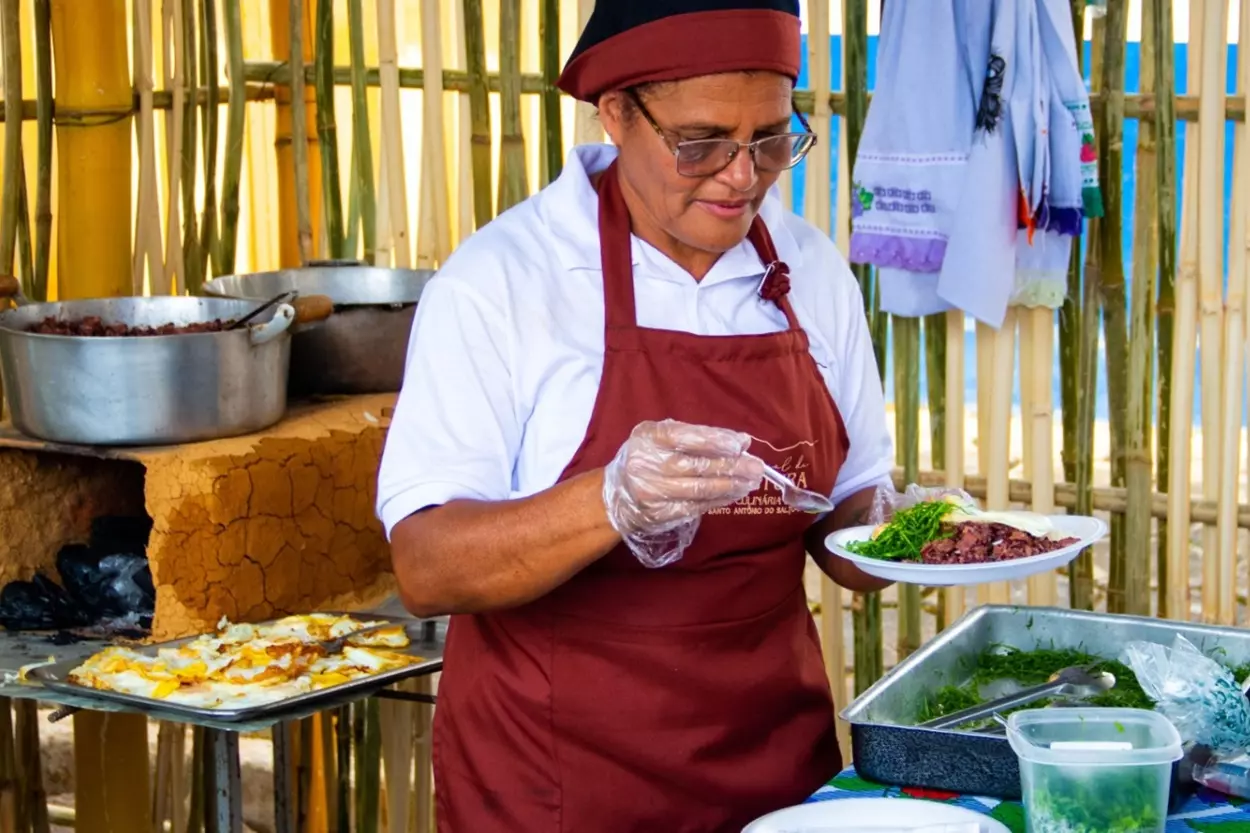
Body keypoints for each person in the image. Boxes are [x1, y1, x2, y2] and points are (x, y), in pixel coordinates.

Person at [376, 1, 895, 828]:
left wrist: (908, 536)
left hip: (773, 776)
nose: (741, 175)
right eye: (701, 143)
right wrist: (609, 497)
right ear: (616, 112)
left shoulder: (810, 270)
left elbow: (851, 521)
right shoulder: (504, 283)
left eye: (769, 139)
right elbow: (428, 566)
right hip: (558, 785)